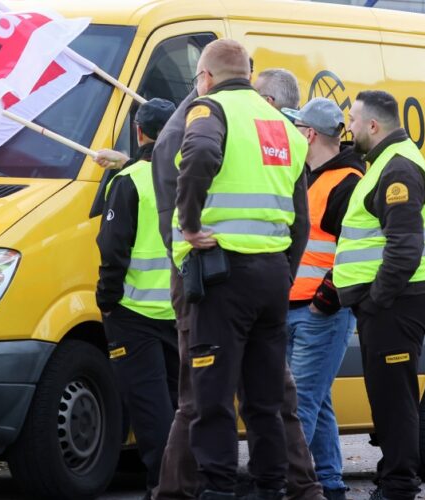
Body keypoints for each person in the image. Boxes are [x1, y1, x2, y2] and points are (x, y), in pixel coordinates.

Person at [174, 40, 309, 500]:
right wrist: (283, 269)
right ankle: (272, 489)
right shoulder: (285, 125)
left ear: (206, 77)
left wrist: (190, 224)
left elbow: (198, 157)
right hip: (272, 277)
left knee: (212, 396)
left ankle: (217, 491)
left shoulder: (210, 111)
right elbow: (301, 218)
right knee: (265, 400)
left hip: (223, 275)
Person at [334, 90, 425, 500]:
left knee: (394, 400)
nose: (350, 128)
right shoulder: (386, 164)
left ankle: (398, 486)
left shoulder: (397, 169)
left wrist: (376, 300)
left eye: (355, 121)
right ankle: (394, 476)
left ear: (373, 125)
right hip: (394, 301)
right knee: (388, 395)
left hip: (396, 302)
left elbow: (405, 248)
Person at [281, 98, 365, 500]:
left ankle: (282, 483)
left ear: (309, 134)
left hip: (320, 310)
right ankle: (330, 483)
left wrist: (326, 300)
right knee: (317, 399)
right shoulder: (306, 175)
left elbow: (355, 249)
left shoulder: (348, 181)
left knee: (299, 403)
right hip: (296, 305)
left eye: (297, 128)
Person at [95, 97, 178, 500]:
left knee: (150, 408)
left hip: (134, 311)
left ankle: (163, 487)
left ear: (140, 131)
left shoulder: (130, 181)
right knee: (181, 405)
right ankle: (186, 482)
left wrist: (106, 299)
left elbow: (113, 248)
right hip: (182, 309)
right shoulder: (191, 172)